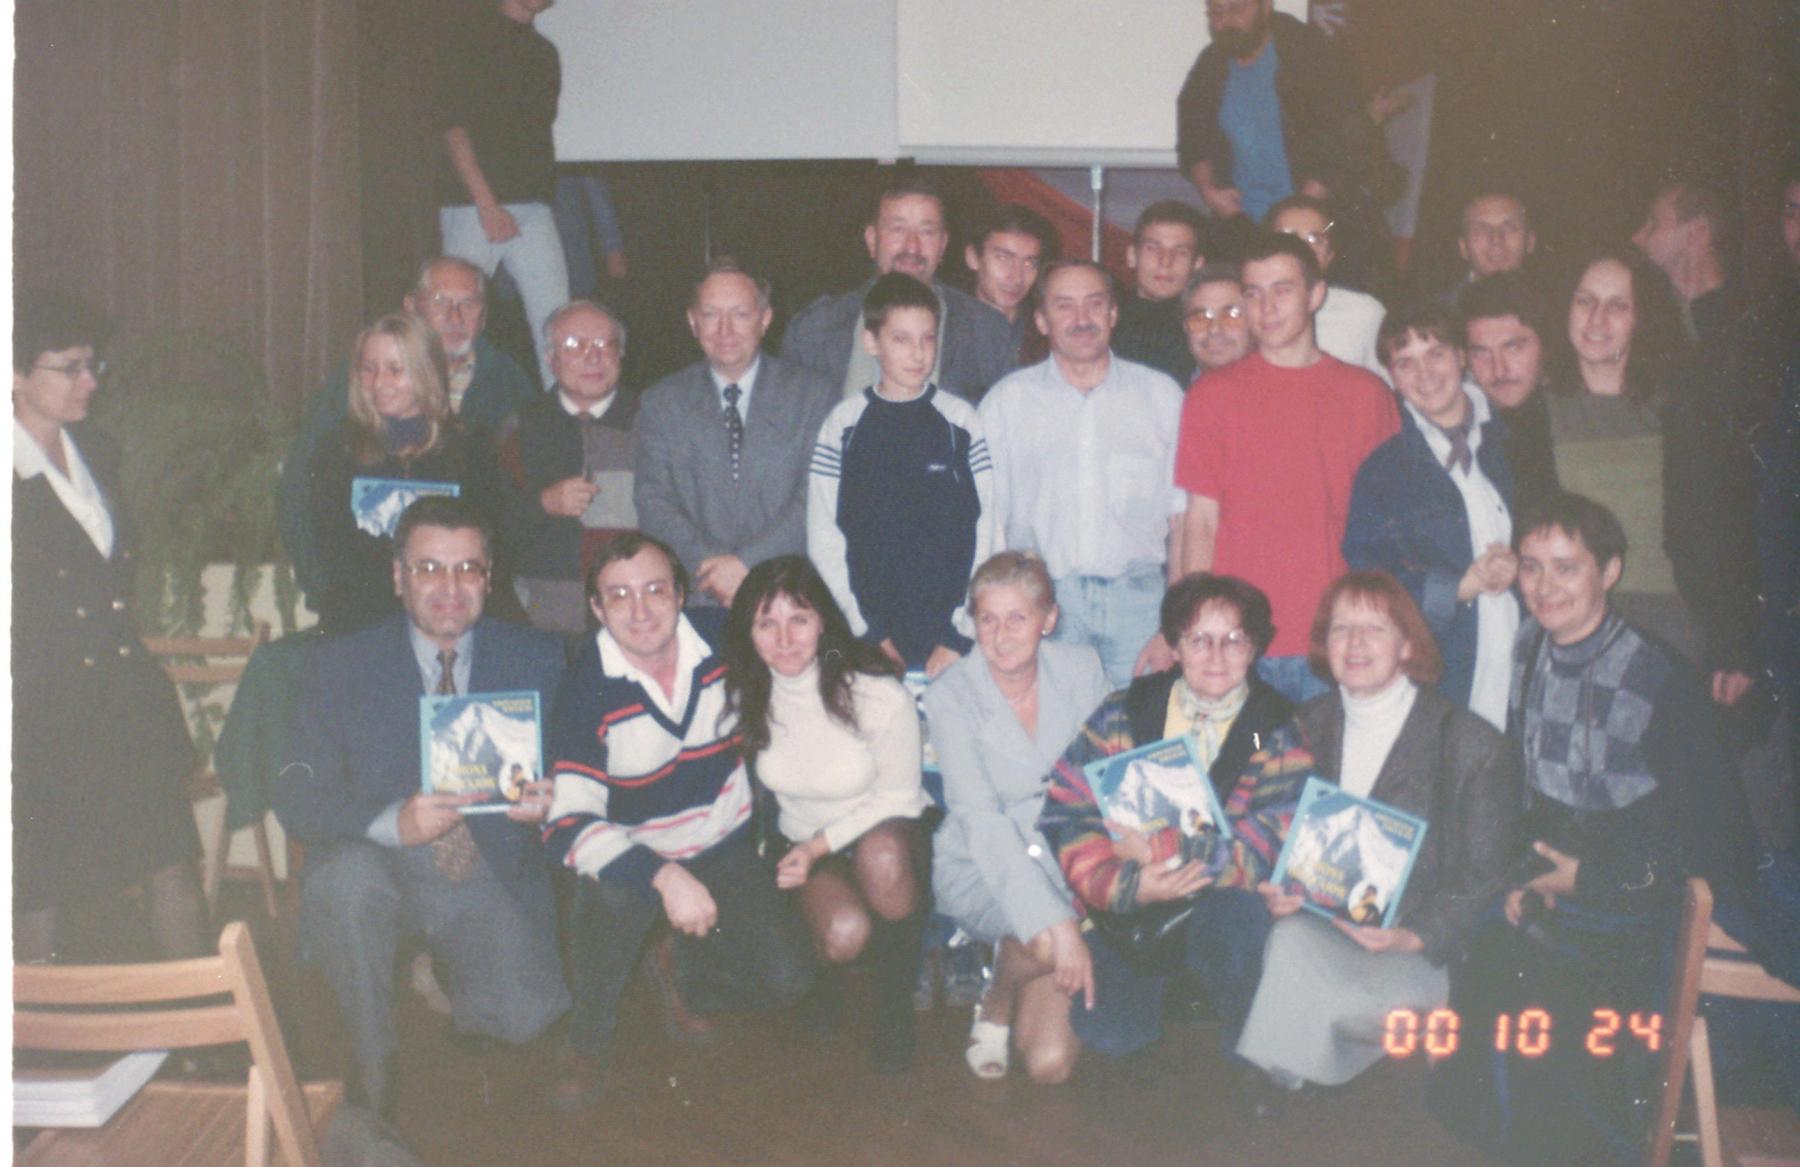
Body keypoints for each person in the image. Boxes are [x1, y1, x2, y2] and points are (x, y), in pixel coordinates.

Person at [1431, 493, 1757, 1164]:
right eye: (1530, 567)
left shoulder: (1659, 679)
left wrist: (1589, 879)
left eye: (1566, 567)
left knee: (1553, 1009)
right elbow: (1533, 800)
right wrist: (1527, 879)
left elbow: (1711, 841)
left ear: (1609, 572)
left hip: (1638, 897)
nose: (1544, 587)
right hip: (1559, 876)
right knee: (1485, 954)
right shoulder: (1530, 646)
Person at [274, 496, 570, 1116]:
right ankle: (373, 1057)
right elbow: (297, 794)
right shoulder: (339, 664)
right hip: (381, 861)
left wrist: (556, 796)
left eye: (467, 569)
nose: (450, 588)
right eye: (429, 568)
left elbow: (579, 766)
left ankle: (451, 971)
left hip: (484, 862)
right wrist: (393, 822)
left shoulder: (537, 657)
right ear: (398, 576)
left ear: (489, 577)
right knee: (344, 884)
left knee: (524, 1020)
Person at [542, 533, 814, 1109]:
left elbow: (811, 649)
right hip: (635, 855)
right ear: (596, 609)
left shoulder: (727, 640)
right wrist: (662, 876)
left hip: (722, 841)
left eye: (655, 590)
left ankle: (678, 967)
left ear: (681, 594)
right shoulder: (585, 687)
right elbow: (566, 822)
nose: (640, 610)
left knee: (789, 979)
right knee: (608, 900)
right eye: (619, 596)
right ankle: (587, 1038)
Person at [1235, 572, 1520, 1106]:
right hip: (1326, 931)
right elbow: (1270, 827)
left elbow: (1486, 877)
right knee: (1286, 938)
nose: (1356, 643)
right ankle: (1283, 1067)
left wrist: (1414, 936)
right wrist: (1276, 881)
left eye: (1375, 628)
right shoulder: (1304, 725)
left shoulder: (1471, 744)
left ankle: (1300, 1051)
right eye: (1341, 628)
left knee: (1337, 999)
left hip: (1417, 950)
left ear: (1408, 645)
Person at [1035, 573, 1304, 1104]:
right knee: (1109, 1033)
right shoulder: (1127, 711)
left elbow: (1270, 845)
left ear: (1254, 649)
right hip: (1133, 901)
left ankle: (1255, 1053)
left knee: (1242, 926)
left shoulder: (1267, 726)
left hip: (1223, 903)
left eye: (1234, 640)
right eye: (1200, 639)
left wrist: (1167, 851)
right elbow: (1066, 811)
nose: (1217, 656)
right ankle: (1171, 998)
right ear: (1175, 646)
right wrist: (1128, 884)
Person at [12, 288, 208, 966]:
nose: (90, 381)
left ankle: (202, 1020)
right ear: (14, 373)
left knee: (172, 868)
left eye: (92, 364)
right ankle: (30, 1032)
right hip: (40, 712)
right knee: (35, 895)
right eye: (69, 367)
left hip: (123, 700)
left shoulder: (96, 448)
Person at [721, 555, 935, 1073]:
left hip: (887, 832)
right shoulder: (745, 691)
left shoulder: (873, 690)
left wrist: (818, 846)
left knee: (882, 856)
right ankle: (825, 972)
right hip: (801, 842)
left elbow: (901, 798)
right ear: (748, 630)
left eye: (799, 619)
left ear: (823, 621)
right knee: (842, 933)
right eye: (766, 623)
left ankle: (894, 1004)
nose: (784, 639)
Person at [1177, 231, 1399, 703]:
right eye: (1254, 294)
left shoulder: (1366, 395)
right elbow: (1200, 521)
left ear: (1316, 295)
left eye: (1283, 291)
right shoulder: (1211, 396)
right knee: (1251, 752)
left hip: (1337, 640)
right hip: (1241, 643)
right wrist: (1195, 631)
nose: (1267, 308)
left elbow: (1390, 528)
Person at [925, 551, 1111, 1083]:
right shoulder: (951, 696)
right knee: (1049, 940)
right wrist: (1059, 921)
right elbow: (982, 821)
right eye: (987, 619)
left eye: (1017, 618)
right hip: (982, 866)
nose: (1001, 636)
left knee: (1050, 1065)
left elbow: (1106, 779)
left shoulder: (1081, 669)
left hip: (1071, 862)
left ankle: (1015, 957)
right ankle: (997, 1002)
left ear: (1048, 619)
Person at [1546, 245, 1757, 700]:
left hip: (1670, 628)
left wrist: (1733, 642)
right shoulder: (1538, 413)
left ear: (1641, 318)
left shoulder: (1678, 407)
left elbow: (1720, 531)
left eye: (1618, 306)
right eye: (1585, 301)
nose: (1597, 319)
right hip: (1573, 624)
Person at [278, 256, 535, 607]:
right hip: (361, 611)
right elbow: (309, 510)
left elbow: (503, 526)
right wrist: (324, 593)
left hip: (455, 611)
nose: (455, 316)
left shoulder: (495, 406)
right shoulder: (339, 443)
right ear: (412, 307)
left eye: (468, 303)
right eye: (441, 302)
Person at [980, 260, 1189, 688]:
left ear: (1113, 314)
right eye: (1064, 306)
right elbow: (986, 521)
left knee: (1143, 725)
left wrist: (1174, 621)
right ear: (1041, 320)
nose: (1082, 319)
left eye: (1094, 305)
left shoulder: (1161, 397)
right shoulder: (1006, 404)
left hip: (1142, 607)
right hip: (1044, 602)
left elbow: (1183, 519)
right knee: (1054, 727)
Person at [807, 272, 996, 676]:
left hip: (950, 640)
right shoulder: (842, 425)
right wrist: (868, 634)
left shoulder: (961, 422)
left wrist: (958, 635)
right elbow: (825, 538)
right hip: (869, 639)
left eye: (928, 339)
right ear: (871, 342)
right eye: (901, 339)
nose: (917, 353)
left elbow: (988, 531)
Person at [1345, 302, 1520, 729]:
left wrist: (1523, 564)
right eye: (1406, 363)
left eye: (1436, 354)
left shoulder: (1517, 441)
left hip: (1525, 655)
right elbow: (1370, 577)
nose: (1424, 374)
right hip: (1444, 667)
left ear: (1461, 356)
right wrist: (1457, 588)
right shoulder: (1383, 471)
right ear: (1392, 377)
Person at [634, 259, 836, 608]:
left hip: (789, 596)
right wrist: (716, 572)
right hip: (698, 594)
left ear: (765, 319)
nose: (725, 330)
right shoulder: (661, 403)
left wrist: (746, 565)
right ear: (693, 322)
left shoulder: (813, 396)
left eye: (740, 314)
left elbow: (819, 495)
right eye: (711, 314)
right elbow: (654, 502)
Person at [306, 313, 494, 635]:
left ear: (425, 371)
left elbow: (485, 545)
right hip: (360, 620)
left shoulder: (468, 450)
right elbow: (331, 549)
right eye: (369, 369)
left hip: (449, 617)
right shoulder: (337, 450)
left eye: (395, 370)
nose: (380, 382)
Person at [1176, 0, 1395, 268]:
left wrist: (1299, 210)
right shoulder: (1211, 65)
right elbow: (1192, 138)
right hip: (1243, 224)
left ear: (1265, 7)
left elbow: (1345, 142)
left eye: (1237, 9)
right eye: (1217, 12)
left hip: (1317, 218)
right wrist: (1210, 191)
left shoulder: (1310, 51)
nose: (1226, 21)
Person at [782, 177, 1015, 404]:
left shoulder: (986, 333)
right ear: (872, 240)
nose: (912, 246)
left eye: (926, 232)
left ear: (943, 245)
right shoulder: (815, 331)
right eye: (897, 229)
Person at [437, 0, 569, 391]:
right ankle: (440, 415)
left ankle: (562, 418)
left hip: (533, 204)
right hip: (474, 207)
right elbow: (453, 128)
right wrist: (486, 203)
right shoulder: (469, 40)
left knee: (557, 323)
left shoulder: (545, 53)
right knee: (454, 320)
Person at [495, 299, 637, 637]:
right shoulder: (520, 427)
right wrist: (541, 504)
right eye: (574, 345)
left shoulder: (652, 422)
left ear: (621, 354)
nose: (593, 357)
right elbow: (490, 527)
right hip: (541, 617)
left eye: (604, 344)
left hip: (634, 611)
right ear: (550, 359)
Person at [1460, 272, 1561, 514]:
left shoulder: (1573, 418)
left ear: (1545, 346)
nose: (1499, 369)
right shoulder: (1460, 432)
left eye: (1513, 347)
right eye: (1481, 352)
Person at [1267, 194, 1387, 380]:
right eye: (1288, 238)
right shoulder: (1250, 309)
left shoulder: (1364, 313)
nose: (1301, 249)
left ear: (1330, 256)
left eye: (1315, 240)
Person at [1113, 200, 1207, 385]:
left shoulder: (1206, 329)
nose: (1165, 261)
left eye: (1180, 252)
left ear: (1198, 264)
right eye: (1153, 249)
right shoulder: (1105, 322)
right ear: (1132, 256)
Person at [963, 203, 1058, 366]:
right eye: (1004, 258)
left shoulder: (1046, 336)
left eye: (1029, 264)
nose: (1017, 277)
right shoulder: (946, 326)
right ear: (973, 257)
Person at [1443, 191, 1537, 301]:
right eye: (1481, 229)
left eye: (1509, 228)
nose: (1496, 239)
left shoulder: (1552, 307)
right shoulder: (1437, 310)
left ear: (1530, 241)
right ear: (1463, 247)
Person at [1181, 264, 1254, 378]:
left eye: (1230, 315)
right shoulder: (1166, 387)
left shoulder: (1278, 386)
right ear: (1185, 326)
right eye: (1201, 318)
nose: (1214, 329)